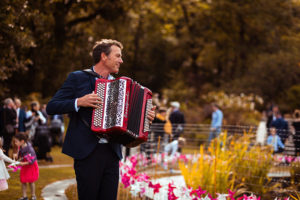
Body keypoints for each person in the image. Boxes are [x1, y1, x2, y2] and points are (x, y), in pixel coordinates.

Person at [46, 39, 156, 200]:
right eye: (118, 56)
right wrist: (79, 102)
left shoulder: (120, 85)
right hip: (87, 152)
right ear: (104, 56)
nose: (121, 60)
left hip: (112, 152)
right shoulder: (78, 77)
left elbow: (131, 117)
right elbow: (52, 106)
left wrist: (145, 118)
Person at [14, 132, 39, 200]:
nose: (15, 143)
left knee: (31, 181)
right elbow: (20, 156)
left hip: (31, 166)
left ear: (22, 141)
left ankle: (33, 195)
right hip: (25, 167)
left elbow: (31, 161)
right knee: (23, 181)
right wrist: (16, 157)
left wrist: (22, 164)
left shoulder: (30, 149)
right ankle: (24, 196)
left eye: (16, 141)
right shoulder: (20, 147)